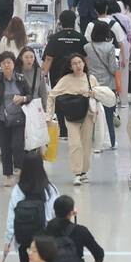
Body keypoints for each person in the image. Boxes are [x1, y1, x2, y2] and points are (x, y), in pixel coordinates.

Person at [48, 53, 104, 186]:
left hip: (88, 115)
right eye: (74, 63)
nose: (78, 65)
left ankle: (84, 172)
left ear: (84, 63)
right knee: (75, 143)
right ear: (70, 66)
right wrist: (48, 115)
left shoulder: (91, 79)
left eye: (80, 62)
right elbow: (52, 95)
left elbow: (99, 94)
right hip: (71, 115)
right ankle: (77, 173)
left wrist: (94, 94)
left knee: (86, 144)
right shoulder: (66, 80)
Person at [0, 51, 33, 185]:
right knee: (5, 147)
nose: (7, 65)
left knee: (18, 145)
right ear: (0, 65)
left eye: (9, 62)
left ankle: (20, 169)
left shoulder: (20, 79)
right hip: (1, 118)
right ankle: (8, 174)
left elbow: (30, 96)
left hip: (19, 118)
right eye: (4, 63)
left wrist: (22, 98)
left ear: (13, 64)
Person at [84, 24, 121, 151]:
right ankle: (111, 141)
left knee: (93, 114)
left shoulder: (87, 47)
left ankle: (94, 142)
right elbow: (112, 68)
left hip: (92, 85)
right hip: (108, 86)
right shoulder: (110, 47)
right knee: (109, 115)